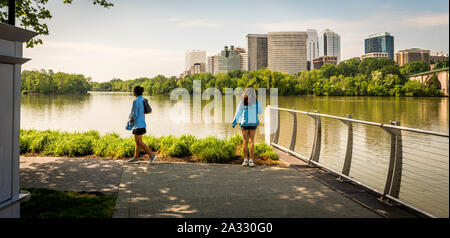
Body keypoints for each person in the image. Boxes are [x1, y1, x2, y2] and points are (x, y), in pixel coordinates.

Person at [232, 87, 262, 167]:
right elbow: (260, 111)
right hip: (253, 123)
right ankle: (251, 161)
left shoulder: (243, 101)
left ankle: (245, 160)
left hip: (244, 123)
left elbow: (238, 112)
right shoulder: (256, 101)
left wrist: (234, 122)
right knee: (252, 141)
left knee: (245, 141)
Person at [128, 86, 157, 163]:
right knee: (138, 141)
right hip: (142, 124)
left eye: (133, 91)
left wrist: (130, 122)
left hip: (137, 125)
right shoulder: (143, 99)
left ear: (135, 92)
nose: (132, 92)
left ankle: (151, 155)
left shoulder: (136, 101)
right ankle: (135, 157)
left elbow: (134, 114)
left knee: (139, 142)